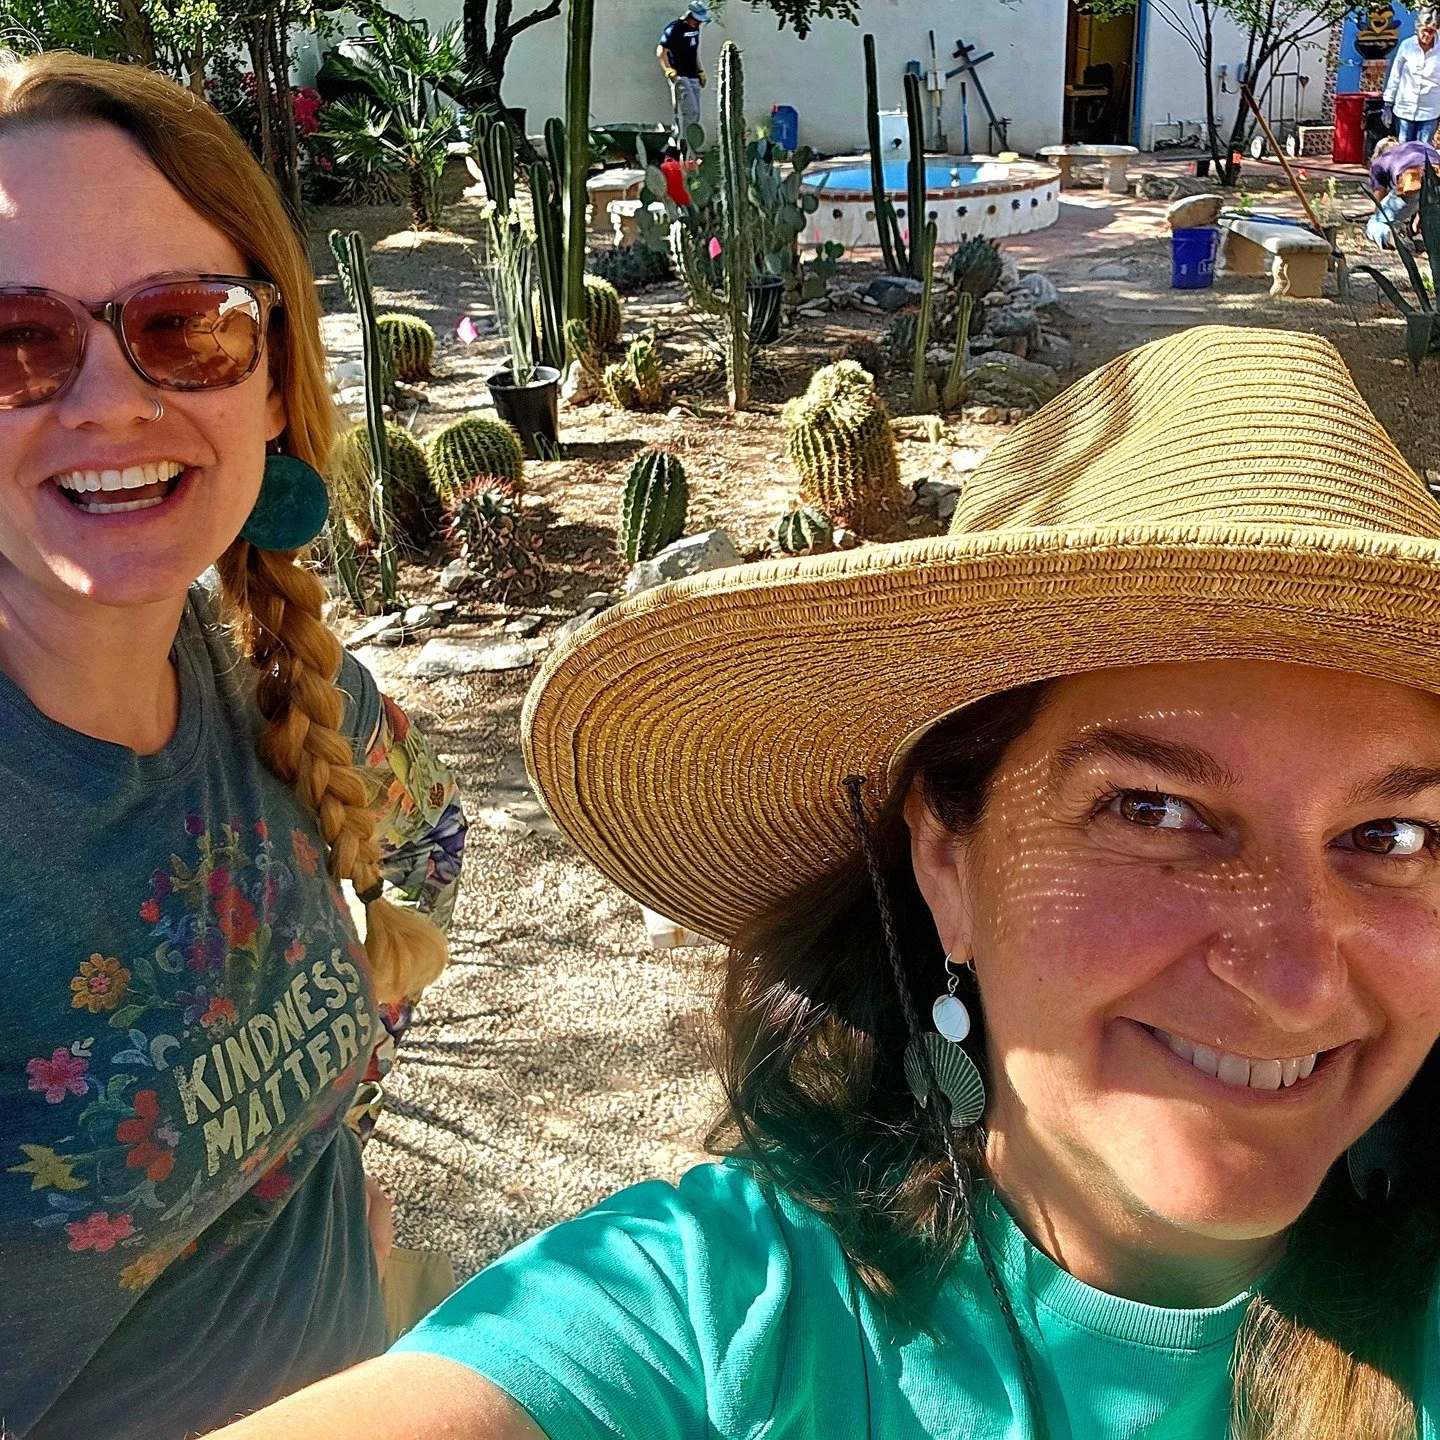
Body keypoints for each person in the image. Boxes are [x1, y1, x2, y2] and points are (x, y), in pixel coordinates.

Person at [212, 324, 1440, 1440]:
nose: (1291, 979)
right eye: (1153, 811)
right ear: (944, 859)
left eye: (1392, 836)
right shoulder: (716, 1317)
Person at [0, 52, 467, 1439]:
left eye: (186, 325)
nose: (107, 401)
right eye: (15, 341)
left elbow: (431, 834)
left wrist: (320, 1152)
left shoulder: (271, 681)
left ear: (271, 384)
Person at [1365, 133, 1440, 246]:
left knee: (1374, 223)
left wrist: (1378, 215)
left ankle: (1388, 235)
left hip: (1411, 180)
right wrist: (1415, 228)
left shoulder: (1379, 162)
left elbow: (1378, 195)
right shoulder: (1418, 145)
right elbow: (1426, 203)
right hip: (1436, 174)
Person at [656, 3, 711, 145]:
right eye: (697, 20)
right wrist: (668, 69)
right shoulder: (675, 28)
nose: (699, 24)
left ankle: (688, 144)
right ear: (689, 16)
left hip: (693, 74)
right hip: (680, 75)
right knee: (691, 112)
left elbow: (694, 52)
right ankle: (685, 145)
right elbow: (661, 51)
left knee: (696, 114)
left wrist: (700, 70)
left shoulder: (695, 29)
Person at [1384, 7, 1440, 145]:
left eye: (1431, 31)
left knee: (1424, 150)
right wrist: (1388, 103)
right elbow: (1395, 74)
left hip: (1430, 110)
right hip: (1404, 109)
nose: (1427, 34)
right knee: (1404, 150)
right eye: (1424, 30)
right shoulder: (1407, 46)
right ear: (1417, 27)